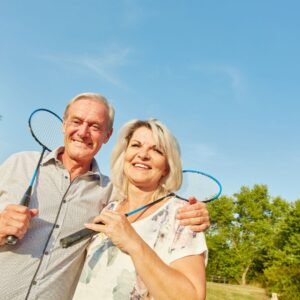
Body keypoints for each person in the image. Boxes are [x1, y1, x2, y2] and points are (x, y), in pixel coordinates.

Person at [0, 93, 210, 300]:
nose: (83, 132)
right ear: (64, 124)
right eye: (76, 121)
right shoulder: (18, 165)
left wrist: (197, 213)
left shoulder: (110, 194)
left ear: (107, 136)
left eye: (94, 126)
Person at [73, 119, 207, 300]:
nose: (143, 155)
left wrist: (132, 241)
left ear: (167, 167)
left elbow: (191, 297)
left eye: (157, 150)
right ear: (125, 154)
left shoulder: (182, 217)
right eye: (136, 145)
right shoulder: (109, 207)